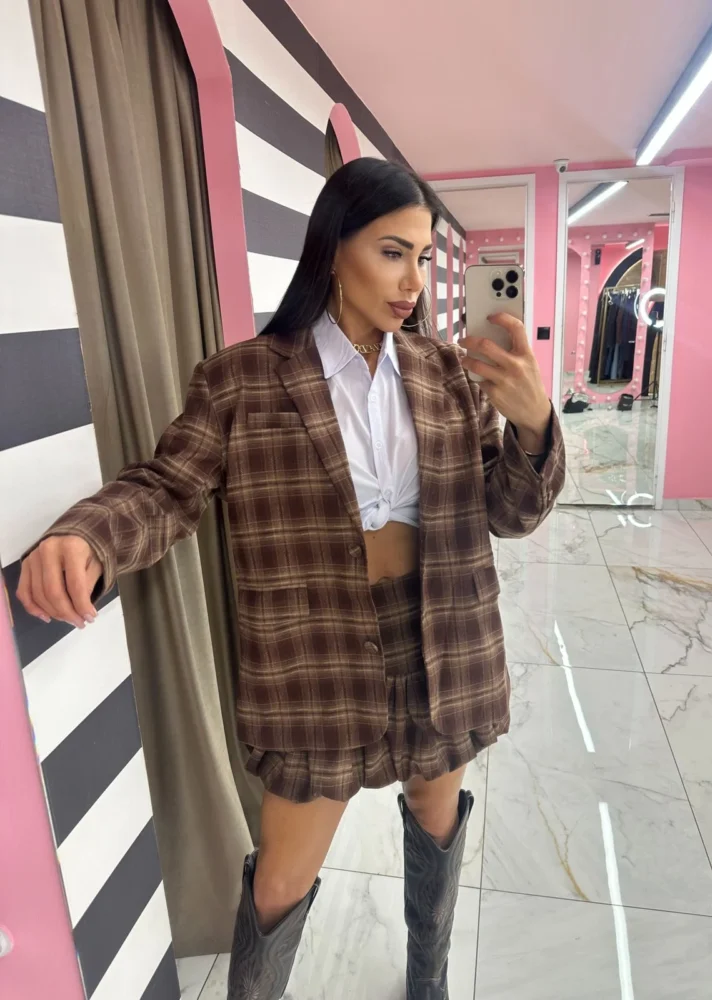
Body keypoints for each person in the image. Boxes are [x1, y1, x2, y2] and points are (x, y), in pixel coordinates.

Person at [16, 158, 565, 1000]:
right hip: (314, 661)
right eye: (392, 252)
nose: (414, 282)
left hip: (444, 644)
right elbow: (168, 486)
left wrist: (532, 426)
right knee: (279, 881)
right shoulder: (242, 378)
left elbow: (510, 513)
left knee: (436, 821)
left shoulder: (449, 375)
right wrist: (90, 533)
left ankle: (428, 980)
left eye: (422, 257)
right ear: (333, 248)